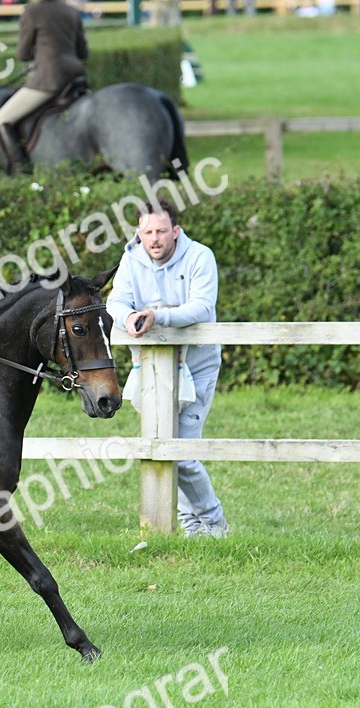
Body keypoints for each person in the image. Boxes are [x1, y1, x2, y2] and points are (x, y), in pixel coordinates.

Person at [107, 198, 230, 539]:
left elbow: (202, 307)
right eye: (147, 232)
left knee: (182, 452)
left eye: (161, 231)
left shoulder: (200, 256)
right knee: (163, 446)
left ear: (176, 231)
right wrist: (129, 317)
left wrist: (157, 316)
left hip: (198, 365)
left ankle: (214, 524)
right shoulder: (131, 258)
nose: (154, 239)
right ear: (138, 233)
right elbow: (116, 301)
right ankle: (192, 527)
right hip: (152, 369)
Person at [0, 0, 88, 174]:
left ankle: (22, 170)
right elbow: (83, 52)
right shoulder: (71, 11)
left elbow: (23, 54)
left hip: (49, 79)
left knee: (1, 120)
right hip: (76, 77)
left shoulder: (32, 12)